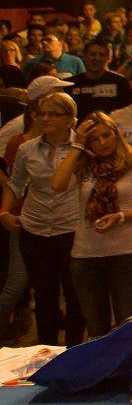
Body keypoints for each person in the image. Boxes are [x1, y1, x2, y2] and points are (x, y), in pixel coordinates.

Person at [51, 113, 132, 336]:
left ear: (116, 134)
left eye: (106, 135)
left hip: (125, 255)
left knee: (126, 326)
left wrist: (120, 217)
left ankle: (125, 371)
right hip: (86, 256)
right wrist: (77, 146)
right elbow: (57, 184)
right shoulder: (84, 166)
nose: (103, 143)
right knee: (96, 328)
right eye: (94, 139)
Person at [1, 85, 84, 344]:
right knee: (45, 296)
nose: (45, 119)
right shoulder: (27, 149)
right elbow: (16, 184)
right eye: (41, 114)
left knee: (74, 294)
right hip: (35, 229)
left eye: (53, 114)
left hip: (71, 228)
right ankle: (47, 351)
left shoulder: (83, 149)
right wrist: (4, 211)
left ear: (70, 118)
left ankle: (72, 350)